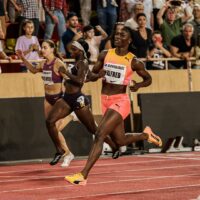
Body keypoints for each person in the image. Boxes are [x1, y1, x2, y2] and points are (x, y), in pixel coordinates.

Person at [64, 26, 163, 185]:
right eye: (116, 34)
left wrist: (138, 85)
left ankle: (83, 175)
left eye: (122, 35)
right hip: (105, 100)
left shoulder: (133, 61)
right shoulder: (105, 54)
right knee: (120, 141)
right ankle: (146, 135)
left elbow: (148, 79)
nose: (117, 36)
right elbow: (94, 75)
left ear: (129, 40)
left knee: (100, 134)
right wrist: (85, 75)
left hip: (121, 101)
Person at [45, 38, 119, 162]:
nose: (71, 52)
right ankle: (59, 150)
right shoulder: (78, 63)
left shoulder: (83, 63)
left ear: (80, 50)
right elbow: (89, 77)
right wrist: (99, 75)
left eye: (74, 50)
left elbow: (79, 80)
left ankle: (114, 147)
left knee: (93, 129)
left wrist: (66, 73)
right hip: (67, 99)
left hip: (78, 100)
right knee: (49, 121)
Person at [16, 39, 74, 167]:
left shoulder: (58, 63)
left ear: (52, 49)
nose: (42, 49)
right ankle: (68, 153)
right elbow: (33, 70)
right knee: (51, 129)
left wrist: (70, 96)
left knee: (56, 128)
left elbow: (69, 79)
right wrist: (23, 58)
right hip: (47, 98)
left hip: (59, 98)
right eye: (42, 47)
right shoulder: (43, 64)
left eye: (45, 47)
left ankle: (71, 117)